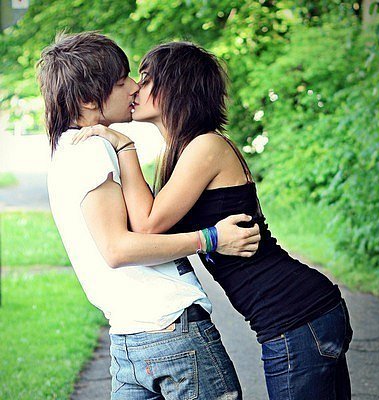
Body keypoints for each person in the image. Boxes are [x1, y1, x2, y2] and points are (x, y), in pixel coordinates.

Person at [74, 41, 353, 399]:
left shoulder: (206, 147)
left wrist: (124, 147)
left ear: (175, 87)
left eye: (146, 78)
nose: (136, 88)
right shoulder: (183, 152)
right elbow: (141, 227)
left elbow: (147, 224)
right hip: (298, 318)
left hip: (297, 316)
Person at [38, 32, 262, 400]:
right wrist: (212, 238)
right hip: (171, 329)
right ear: (89, 99)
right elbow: (118, 249)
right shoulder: (93, 151)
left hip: (129, 338)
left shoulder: (67, 151)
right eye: (121, 80)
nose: (133, 87)